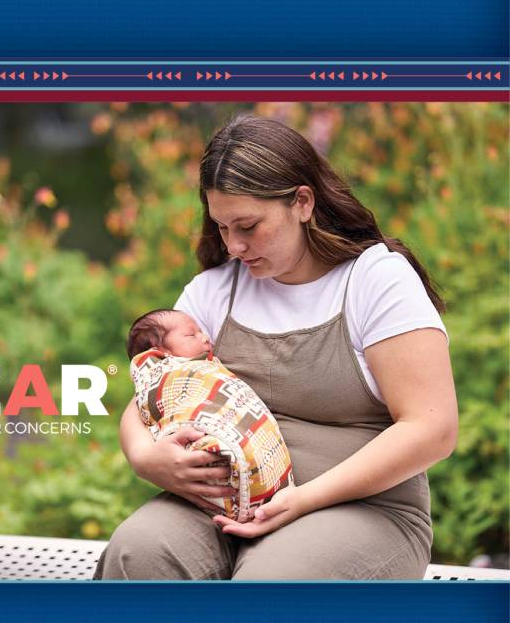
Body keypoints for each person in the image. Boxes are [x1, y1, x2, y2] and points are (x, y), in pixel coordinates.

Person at [93, 114, 458, 580]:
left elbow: (433, 428)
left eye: (248, 225)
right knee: (138, 552)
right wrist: (144, 456)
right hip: (227, 503)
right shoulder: (213, 292)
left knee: (271, 584)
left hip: (362, 509)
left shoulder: (374, 281)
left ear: (302, 202)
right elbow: (152, 393)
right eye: (222, 227)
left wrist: (302, 498)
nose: (235, 246)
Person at [127, 309, 294, 522]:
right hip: (202, 468)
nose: (206, 337)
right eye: (192, 335)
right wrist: (144, 458)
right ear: (159, 353)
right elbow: (141, 403)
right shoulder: (163, 372)